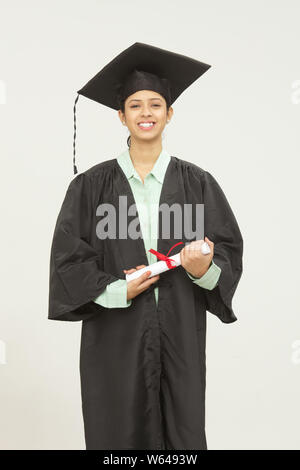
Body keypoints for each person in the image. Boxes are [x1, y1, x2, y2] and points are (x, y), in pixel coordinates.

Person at [48, 42, 243, 450]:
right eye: (135, 105)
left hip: (180, 336)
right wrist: (117, 289)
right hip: (115, 339)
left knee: (182, 437)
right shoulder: (90, 187)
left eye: (156, 104)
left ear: (170, 113)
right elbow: (68, 261)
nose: (146, 113)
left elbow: (226, 251)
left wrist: (200, 268)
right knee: (116, 433)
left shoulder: (198, 183)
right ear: (121, 116)